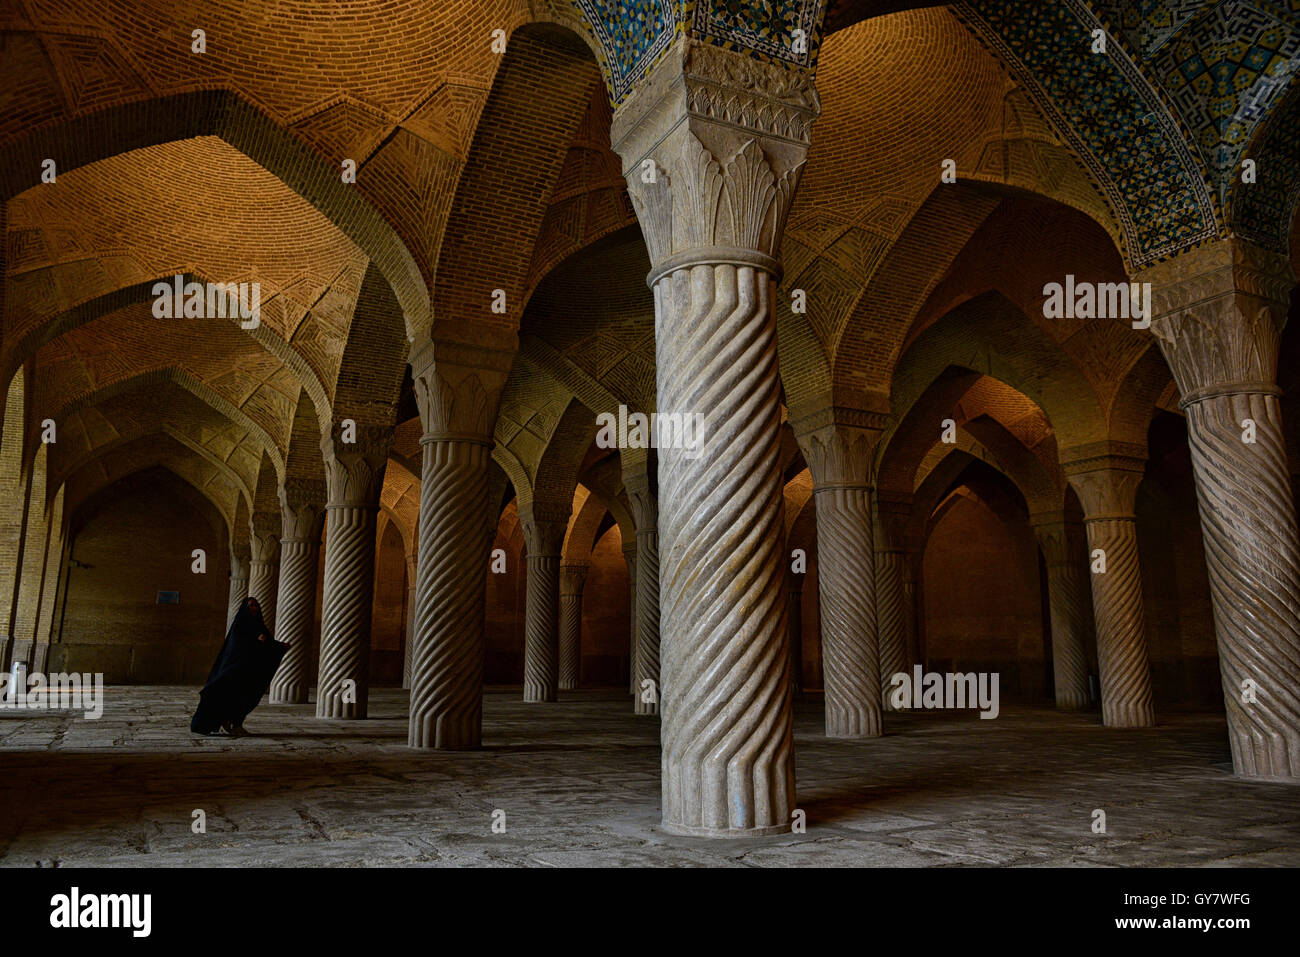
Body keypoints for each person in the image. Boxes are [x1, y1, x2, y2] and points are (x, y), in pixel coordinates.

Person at [190, 597, 287, 736]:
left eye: (256, 606)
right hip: (236, 671)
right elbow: (238, 648)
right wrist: (257, 642)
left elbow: (268, 645)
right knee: (228, 696)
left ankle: (235, 723)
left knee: (247, 699)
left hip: (251, 673)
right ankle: (226, 723)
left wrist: (279, 646)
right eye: (250, 606)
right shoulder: (240, 625)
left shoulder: (260, 625)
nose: (254, 608)